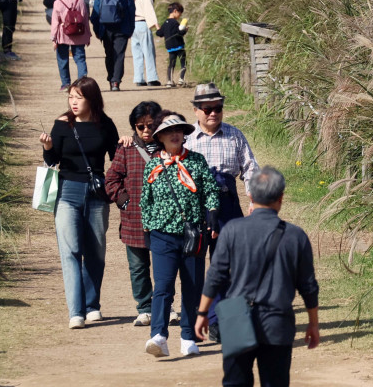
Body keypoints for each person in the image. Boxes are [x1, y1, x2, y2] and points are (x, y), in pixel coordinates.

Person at [195, 167, 320, 387]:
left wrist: (203, 313)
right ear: (281, 198)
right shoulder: (295, 236)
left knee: (235, 382)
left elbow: (216, 275)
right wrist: (313, 323)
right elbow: (308, 286)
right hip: (277, 320)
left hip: (235, 317)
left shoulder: (232, 230)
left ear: (251, 196)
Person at [39, 77, 120, 329]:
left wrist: (127, 143)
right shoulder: (61, 125)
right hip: (67, 192)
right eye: (71, 96)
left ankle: (92, 306)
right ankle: (76, 311)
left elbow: (116, 160)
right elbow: (52, 161)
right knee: (71, 250)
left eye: (79, 97)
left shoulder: (105, 125)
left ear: (92, 99)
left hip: (97, 194)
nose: (73, 102)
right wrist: (48, 148)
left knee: (95, 252)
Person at [184, 82, 261, 342]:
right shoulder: (185, 138)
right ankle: (195, 319)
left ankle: (223, 320)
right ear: (196, 110)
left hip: (227, 203)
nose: (212, 113)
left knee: (228, 264)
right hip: (195, 205)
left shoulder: (235, 135)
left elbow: (250, 169)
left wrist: (254, 198)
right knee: (193, 262)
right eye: (206, 109)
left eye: (217, 108)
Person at [140, 111, 220, 359]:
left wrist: (213, 214)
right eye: (168, 132)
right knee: (163, 287)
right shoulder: (153, 165)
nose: (174, 135)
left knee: (192, 286)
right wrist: (148, 228)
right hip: (162, 235)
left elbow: (210, 191)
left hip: (192, 235)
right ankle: (158, 336)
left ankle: (187, 337)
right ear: (160, 138)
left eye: (179, 131)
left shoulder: (197, 161)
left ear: (184, 136)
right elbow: (146, 200)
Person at [104, 101, 163, 326]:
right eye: (140, 127)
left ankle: (164, 306)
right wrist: (125, 202)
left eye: (151, 125)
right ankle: (145, 307)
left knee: (164, 266)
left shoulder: (168, 147)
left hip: (164, 220)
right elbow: (112, 179)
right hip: (133, 220)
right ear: (134, 127)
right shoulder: (125, 149)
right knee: (138, 267)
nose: (146, 131)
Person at [91, 0, 136, 91]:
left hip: (105, 29)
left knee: (109, 54)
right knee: (119, 55)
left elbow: (94, 14)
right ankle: (115, 82)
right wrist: (131, 28)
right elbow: (132, 11)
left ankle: (111, 78)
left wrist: (97, 30)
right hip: (122, 28)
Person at [49, 0, 91, 90]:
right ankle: (82, 84)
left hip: (63, 35)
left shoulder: (58, 3)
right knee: (80, 59)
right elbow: (85, 19)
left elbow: (55, 23)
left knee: (62, 59)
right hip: (79, 34)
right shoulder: (81, 1)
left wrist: (53, 38)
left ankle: (66, 84)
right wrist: (88, 35)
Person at [131, 0, 161, 87]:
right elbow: (149, 12)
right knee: (148, 52)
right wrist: (156, 25)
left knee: (137, 53)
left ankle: (139, 78)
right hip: (143, 24)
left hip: (134, 24)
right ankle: (152, 78)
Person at [156, 2, 188, 87]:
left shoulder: (165, 23)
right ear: (175, 11)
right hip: (179, 46)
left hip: (170, 48)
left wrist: (158, 28)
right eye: (179, 13)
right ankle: (181, 80)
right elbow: (180, 32)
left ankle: (169, 81)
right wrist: (185, 30)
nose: (179, 16)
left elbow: (159, 33)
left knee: (171, 64)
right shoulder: (175, 23)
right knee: (183, 63)